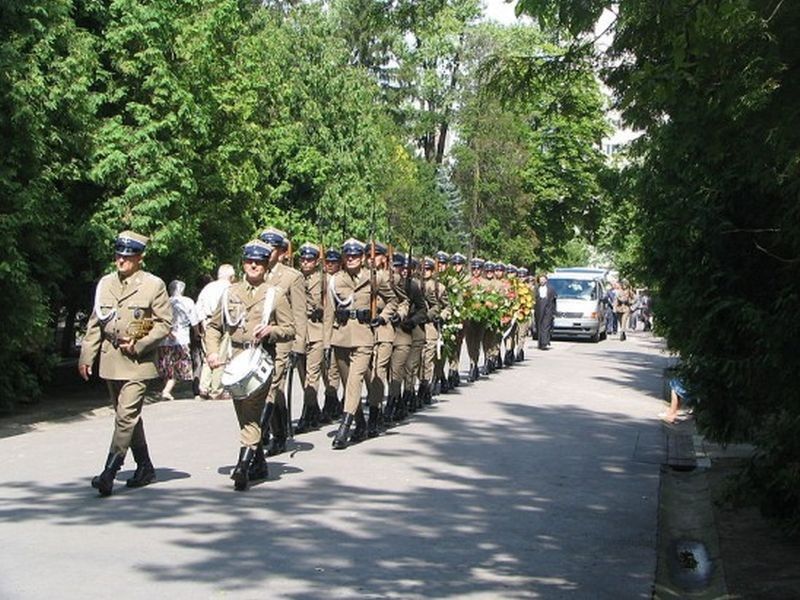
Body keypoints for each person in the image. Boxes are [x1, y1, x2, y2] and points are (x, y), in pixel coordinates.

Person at [78, 230, 172, 497]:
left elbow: (164, 323)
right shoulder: (105, 283)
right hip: (111, 359)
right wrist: (87, 356)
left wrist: (140, 343)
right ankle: (145, 466)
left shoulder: (153, 285)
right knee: (127, 417)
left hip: (138, 362)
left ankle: (110, 470)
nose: (121, 260)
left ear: (139, 258)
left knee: (125, 416)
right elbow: (96, 323)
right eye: (119, 255)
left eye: (128, 256)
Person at [205, 239, 295, 491]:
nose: (253, 265)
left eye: (259, 262)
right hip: (235, 361)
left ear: (266, 265)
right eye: (249, 261)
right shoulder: (230, 293)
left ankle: (243, 466)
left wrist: (271, 330)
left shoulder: (275, 294)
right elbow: (214, 326)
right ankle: (259, 462)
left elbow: (290, 329)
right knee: (244, 414)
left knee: (253, 413)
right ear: (243, 263)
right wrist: (212, 352)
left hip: (262, 360)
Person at [325, 238, 397, 449]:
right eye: (348, 256)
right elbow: (329, 314)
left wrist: (383, 317)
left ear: (363, 257)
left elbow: (392, 301)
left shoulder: (373, 278)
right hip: (340, 336)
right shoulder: (335, 280)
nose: (351, 259)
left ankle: (344, 427)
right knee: (349, 384)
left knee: (355, 380)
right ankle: (361, 422)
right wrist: (326, 342)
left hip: (364, 336)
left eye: (355, 255)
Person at [258, 228, 307, 457]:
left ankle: (259, 437)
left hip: (282, 341)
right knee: (268, 390)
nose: (268, 254)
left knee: (272, 387)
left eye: (273, 249)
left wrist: (299, 345)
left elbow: (299, 314)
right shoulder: (257, 273)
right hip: (259, 341)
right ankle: (277, 431)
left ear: (281, 251)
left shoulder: (291, 276)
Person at [295, 242, 325, 433]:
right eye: (303, 259)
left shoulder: (323, 280)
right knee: (302, 375)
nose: (306, 263)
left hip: (316, 331)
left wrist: (307, 298)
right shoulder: (294, 278)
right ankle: (314, 410)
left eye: (310, 260)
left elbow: (325, 308)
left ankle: (306, 414)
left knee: (312, 377)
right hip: (299, 333)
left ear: (316, 262)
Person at [195, 264, 236, 399]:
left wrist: (201, 324)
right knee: (220, 356)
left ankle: (203, 387)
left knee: (208, 356)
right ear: (231, 277)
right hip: (222, 324)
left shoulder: (207, 288)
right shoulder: (229, 288)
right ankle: (216, 390)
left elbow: (198, 308)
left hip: (206, 323)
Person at [157, 280, 199, 400]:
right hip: (181, 338)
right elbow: (194, 320)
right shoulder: (187, 301)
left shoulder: (165, 302)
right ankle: (166, 390)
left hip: (163, 339)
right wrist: (196, 332)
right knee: (177, 365)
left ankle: (167, 390)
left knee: (167, 365)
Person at [534, 273, 557, 350]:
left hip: (548, 309)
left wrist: (554, 312)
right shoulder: (536, 288)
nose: (542, 281)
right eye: (540, 280)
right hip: (539, 308)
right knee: (539, 325)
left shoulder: (550, 289)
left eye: (543, 279)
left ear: (546, 280)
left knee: (546, 326)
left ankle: (544, 343)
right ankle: (540, 342)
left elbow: (554, 301)